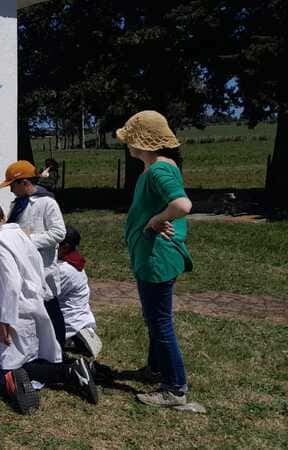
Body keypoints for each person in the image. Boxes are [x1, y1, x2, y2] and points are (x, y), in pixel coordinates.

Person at [0, 197, 97, 411]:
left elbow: (11, 283)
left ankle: (69, 372)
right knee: (28, 355)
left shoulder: (0, 242)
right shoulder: (20, 234)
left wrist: (5, 319)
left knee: (11, 364)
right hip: (34, 300)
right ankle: (70, 370)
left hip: (17, 307)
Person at [117, 110, 193, 407]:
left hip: (156, 257)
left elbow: (182, 205)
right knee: (154, 317)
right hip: (155, 254)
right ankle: (156, 368)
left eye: (130, 138)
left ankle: (175, 388)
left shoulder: (158, 170)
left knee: (160, 322)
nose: (127, 144)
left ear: (143, 141)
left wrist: (156, 220)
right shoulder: (163, 165)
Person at [0, 160, 68, 349]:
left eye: (12, 185)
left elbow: (59, 233)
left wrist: (27, 240)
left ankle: (60, 349)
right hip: (24, 266)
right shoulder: (17, 204)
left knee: (50, 309)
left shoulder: (47, 203)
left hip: (43, 267)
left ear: (24, 182)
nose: (11, 190)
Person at [56, 225, 102, 358]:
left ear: (65, 247)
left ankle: (72, 341)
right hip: (79, 320)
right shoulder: (71, 263)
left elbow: (44, 296)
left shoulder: (64, 270)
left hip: (70, 324)